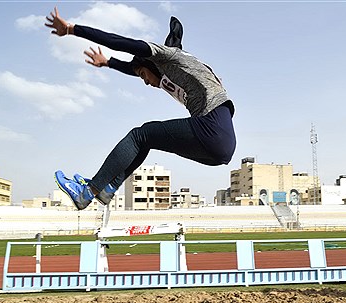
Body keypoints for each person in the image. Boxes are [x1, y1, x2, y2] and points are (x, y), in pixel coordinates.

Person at [45, 7, 236, 210]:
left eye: (144, 75)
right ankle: (108, 188)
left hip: (211, 128)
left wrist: (73, 29)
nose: (146, 82)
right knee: (145, 141)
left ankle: (87, 192)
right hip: (220, 147)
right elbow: (133, 68)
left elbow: (119, 42)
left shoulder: (167, 56)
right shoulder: (175, 69)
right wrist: (108, 63)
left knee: (139, 135)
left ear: (153, 64)